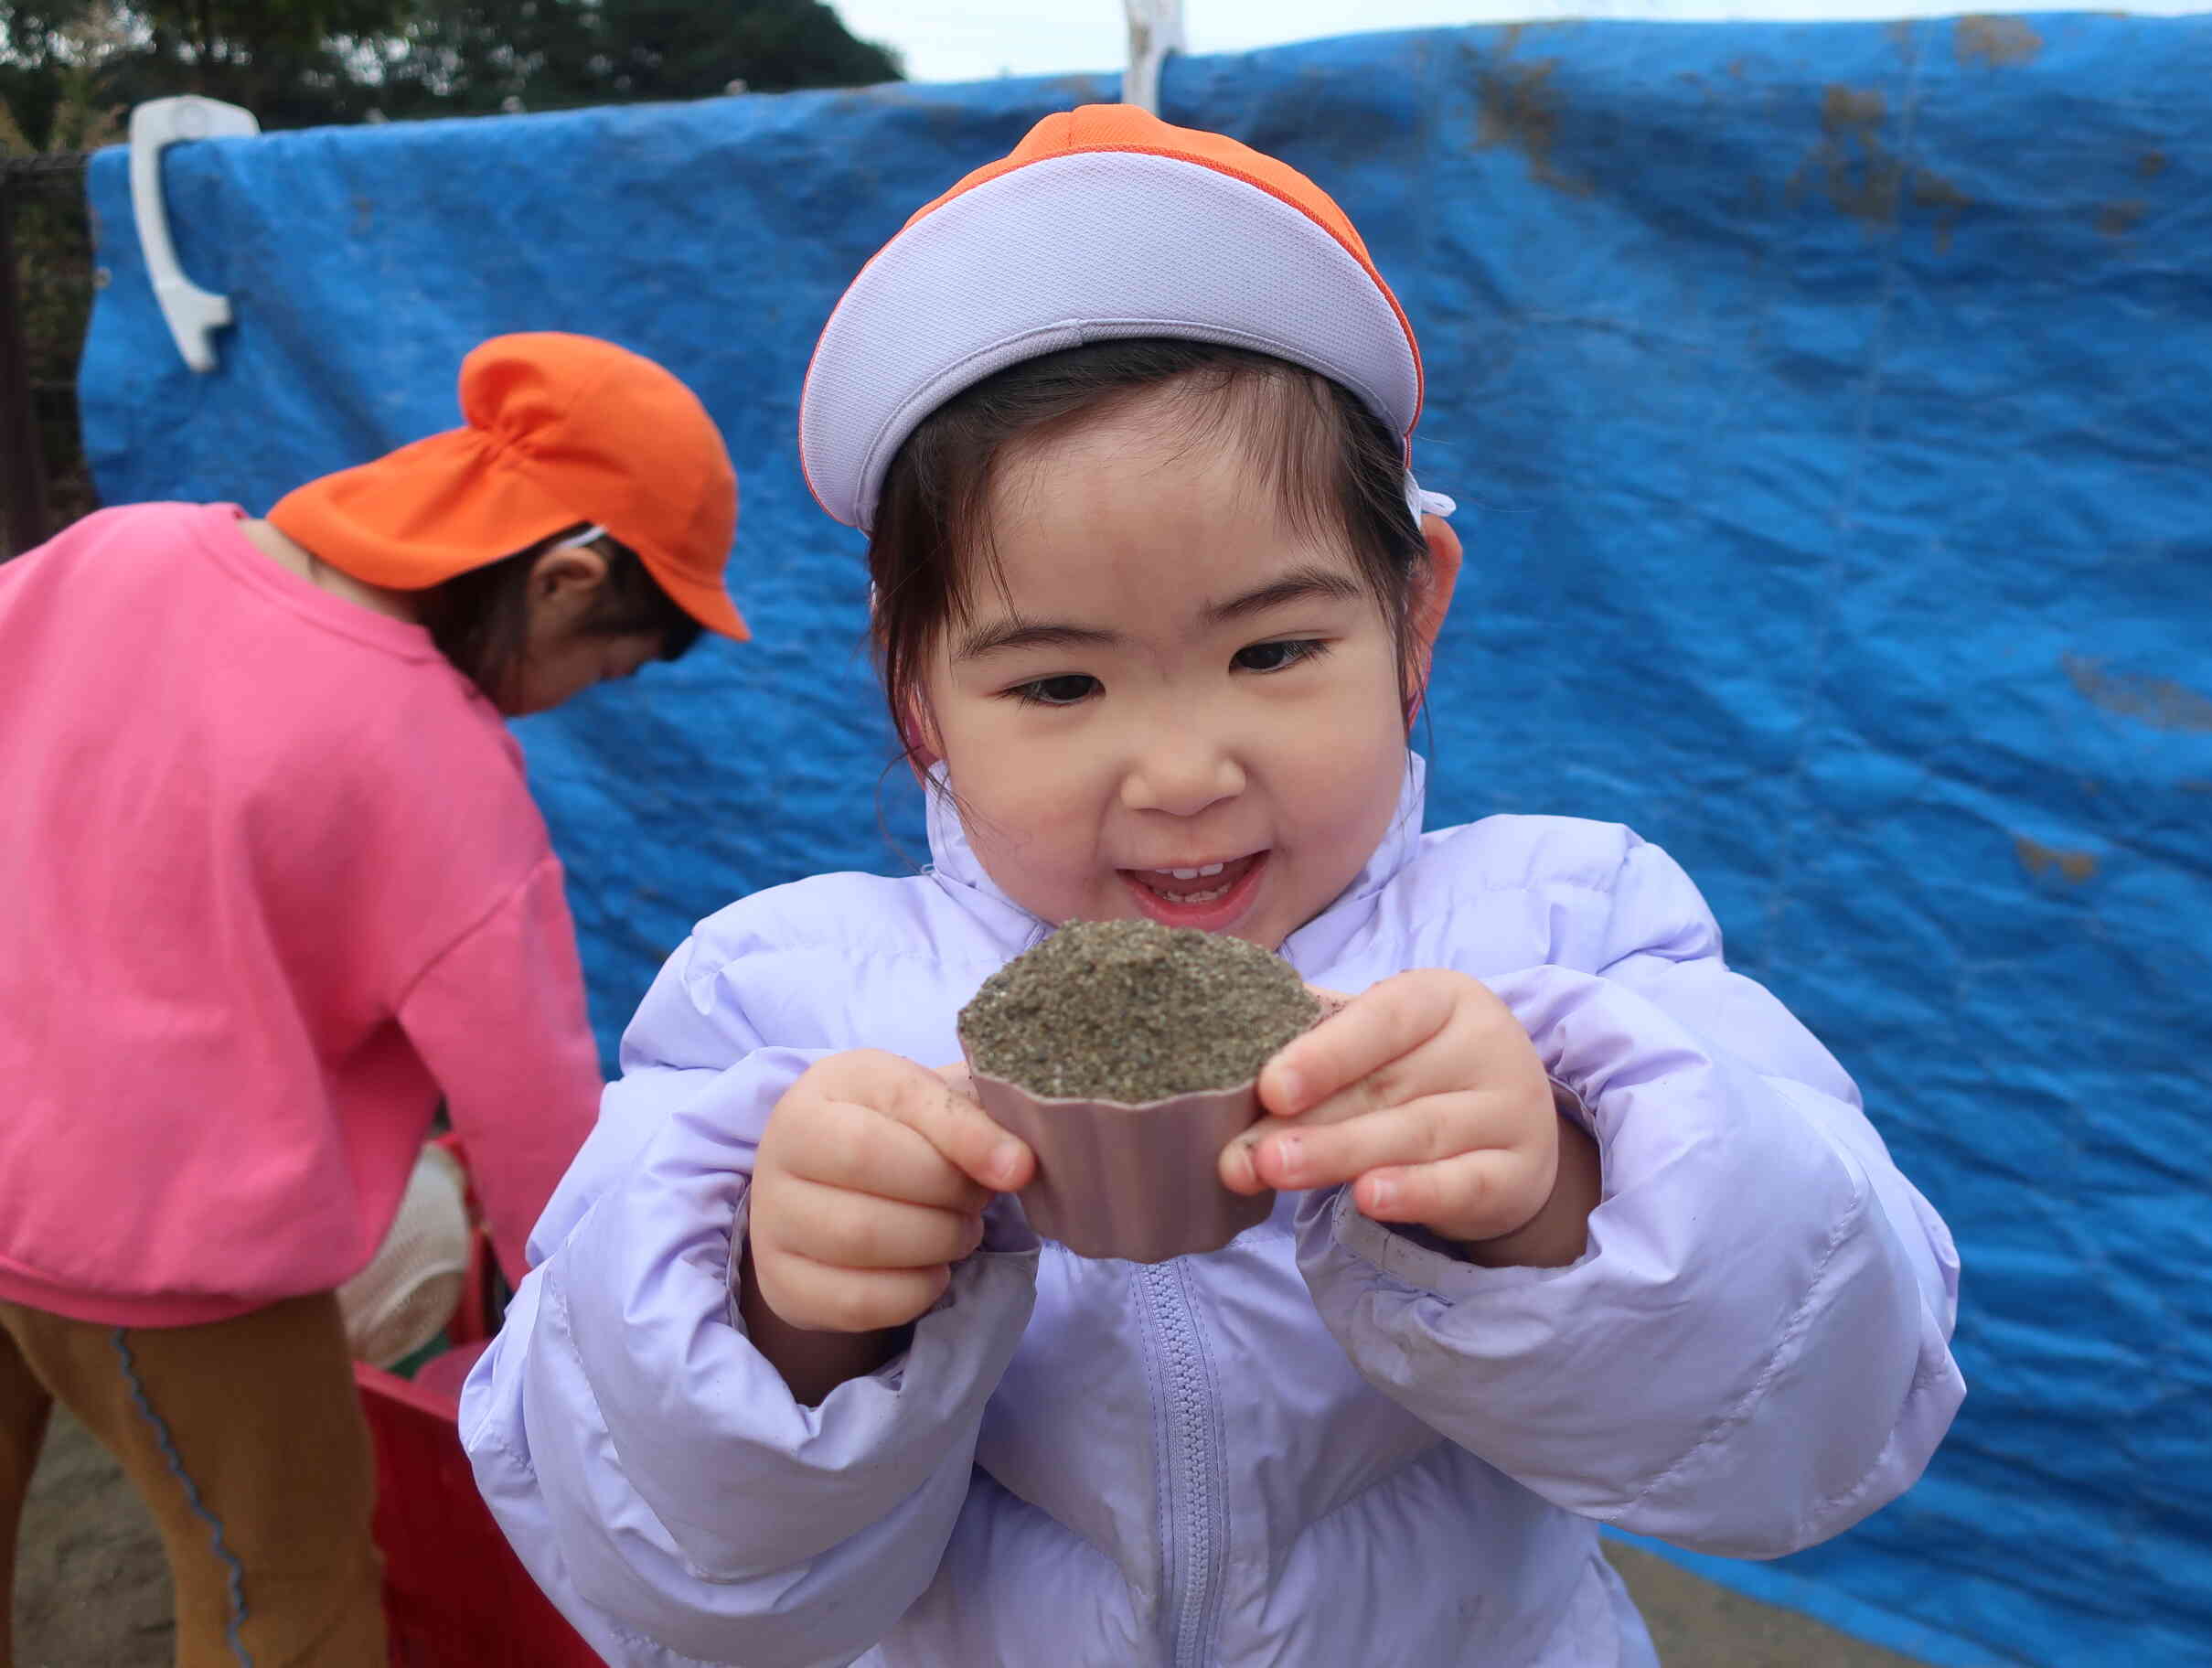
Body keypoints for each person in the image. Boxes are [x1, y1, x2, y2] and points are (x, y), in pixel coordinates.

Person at [461, 111, 1964, 1667]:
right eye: (1058, 684)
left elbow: (1830, 1409)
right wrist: (790, 1316)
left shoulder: (1567, 933)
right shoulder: (775, 1005)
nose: (1182, 772)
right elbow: (642, 1564)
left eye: (1274, 650)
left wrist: (1561, 1194)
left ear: (1414, 621)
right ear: (919, 702)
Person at [0, 331, 747, 1667]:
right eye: (601, 670)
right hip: (154, 1255)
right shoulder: (438, 764)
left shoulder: (122, 550)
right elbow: (536, 1126)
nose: (564, 705)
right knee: (289, 1589)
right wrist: (615, 1325)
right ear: (566, 580)